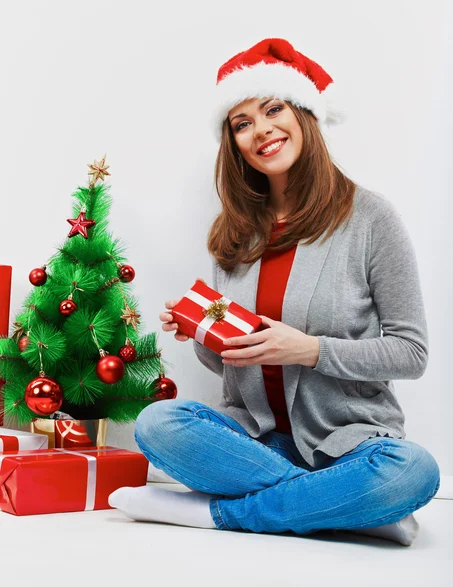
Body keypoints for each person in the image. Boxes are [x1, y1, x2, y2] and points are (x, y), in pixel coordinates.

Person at [109, 38, 440, 546]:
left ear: (303, 113)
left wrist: (310, 351)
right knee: (157, 423)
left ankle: (217, 514)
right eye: (242, 123)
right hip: (256, 441)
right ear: (234, 143)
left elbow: (411, 353)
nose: (260, 130)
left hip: (349, 442)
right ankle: (344, 507)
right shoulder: (236, 231)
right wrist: (201, 333)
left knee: (412, 471)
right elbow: (231, 364)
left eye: (272, 109)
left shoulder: (372, 218)